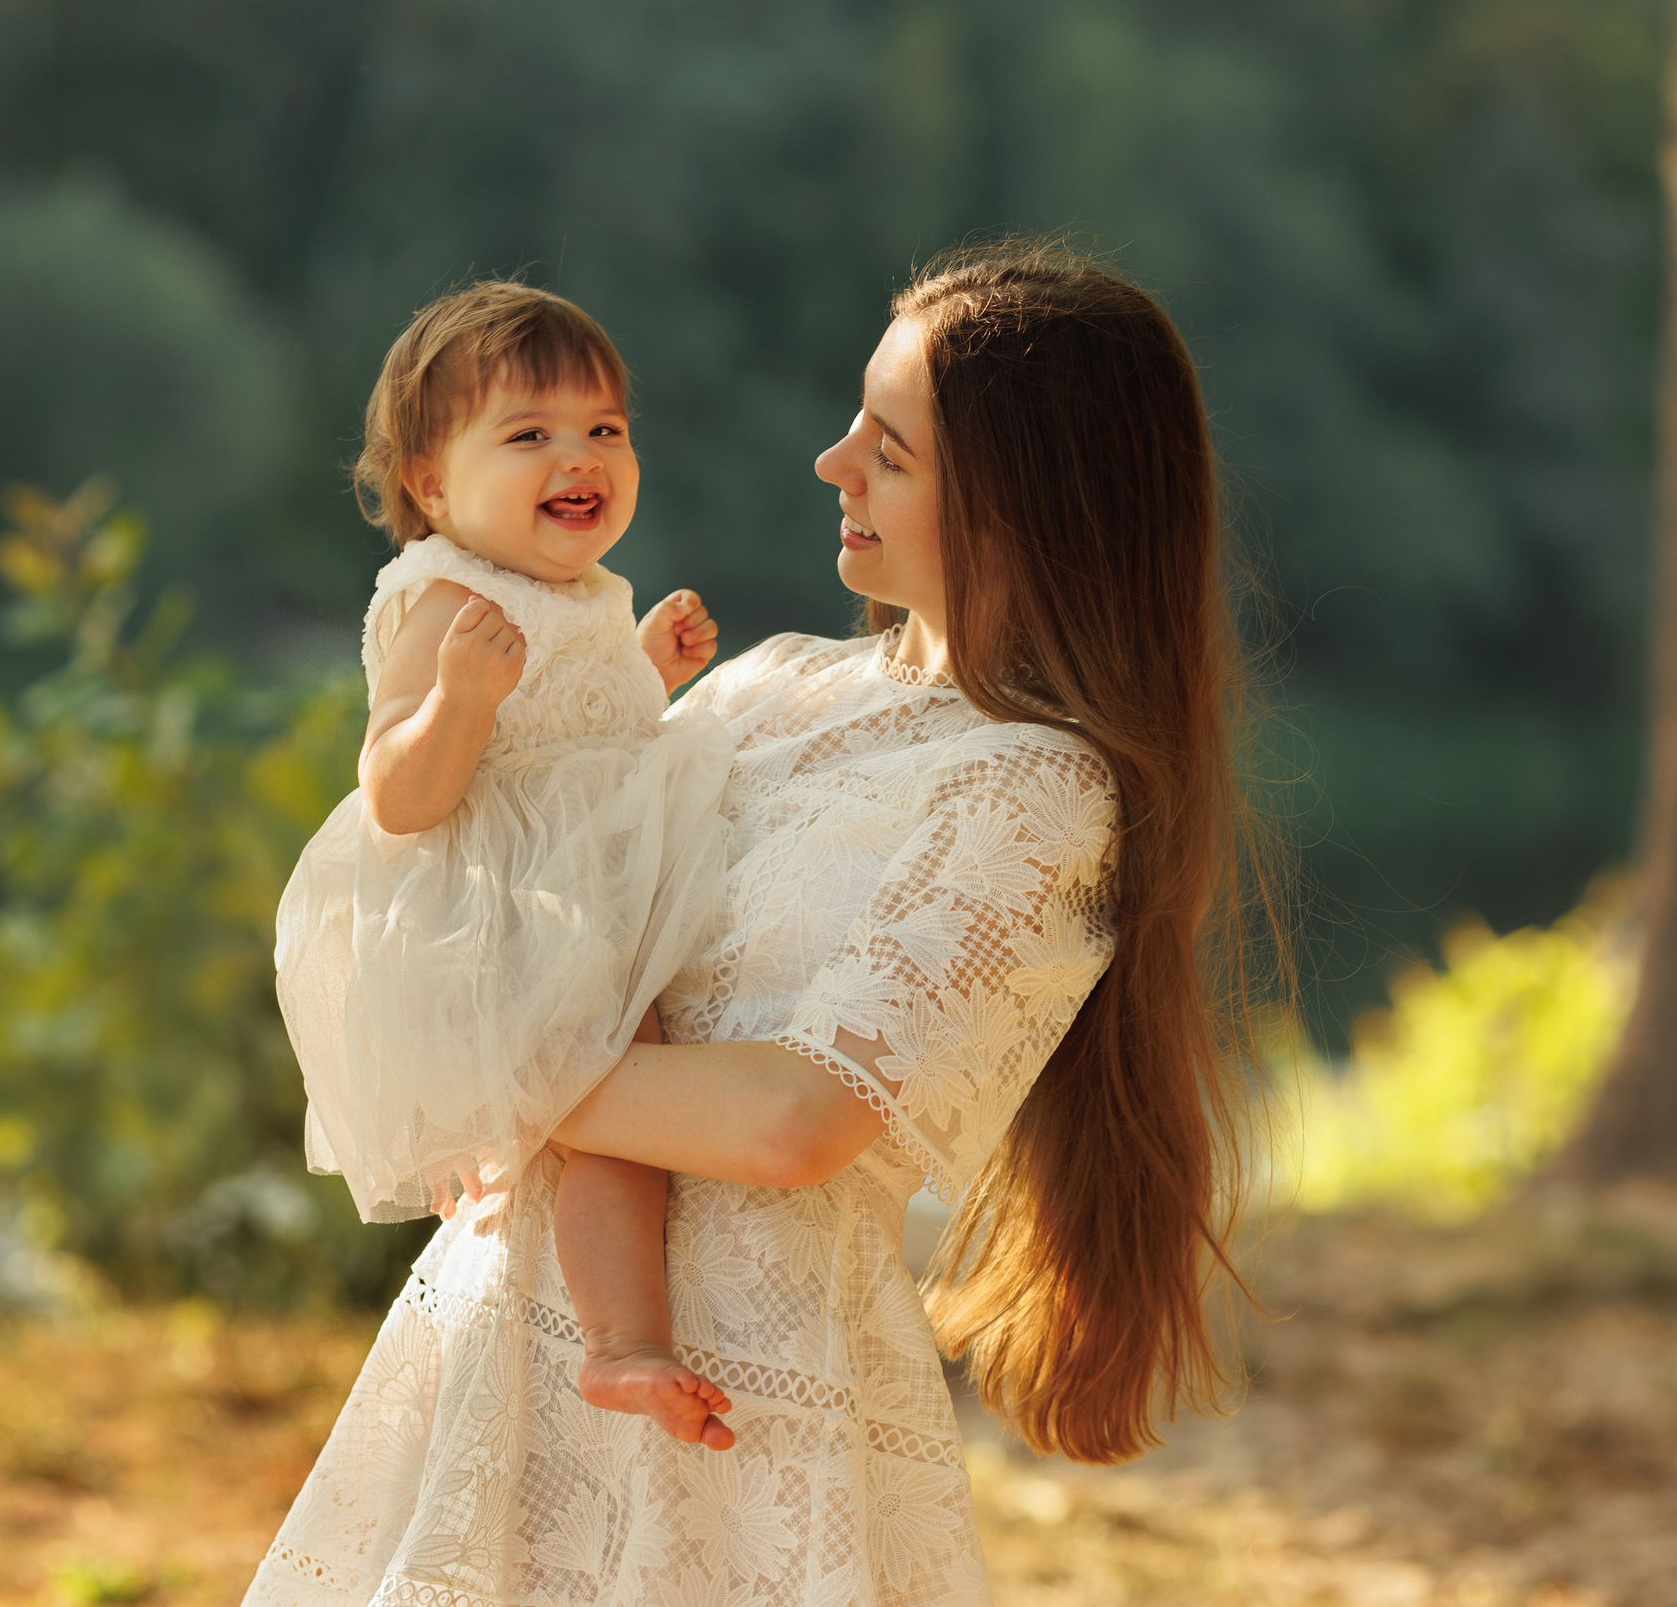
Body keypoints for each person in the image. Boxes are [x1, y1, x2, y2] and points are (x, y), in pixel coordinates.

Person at [249, 239, 1278, 1607]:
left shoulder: (1033, 786)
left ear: (1026, 502)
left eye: (891, 451)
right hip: (511, 1325)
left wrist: (479, 1064)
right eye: (858, 420)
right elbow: (538, 892)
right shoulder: (769, 690)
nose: (830, 461)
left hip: (740, 1390)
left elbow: (795, 1120)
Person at [277, 281, 743, 1449]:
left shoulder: (574, 590)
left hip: (586, 889)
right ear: (432, 486)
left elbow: (575, 732)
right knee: (614, 1115)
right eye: (529, 435)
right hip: (505, 917)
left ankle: (614, 1306)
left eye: (605, 430)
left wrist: (640, 668)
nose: (578, 456)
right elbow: (398, 794)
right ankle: (622, 1344)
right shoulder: (445, 597)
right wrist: (458, 703)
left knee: (624, 1096)